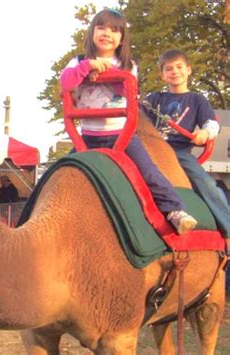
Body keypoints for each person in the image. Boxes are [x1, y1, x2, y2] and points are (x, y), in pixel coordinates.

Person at [60, 8, 197, 235]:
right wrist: (87, 68)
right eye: (101, 27)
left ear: (121, 38)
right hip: (86, 136)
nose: (107, 33)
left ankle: (175, 210)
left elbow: (126, 88)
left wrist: (106, 72)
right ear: (92, 31)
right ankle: (39, 212)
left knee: (148, 170)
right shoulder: (79, 61)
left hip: (120, 135)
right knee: (61, 172)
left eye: (114, 30)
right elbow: (66, 82)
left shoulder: (127, 63)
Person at [141, 49, 230, 238]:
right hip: (151, 149)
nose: (175, 72)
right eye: (169, 69)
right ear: (162, 75)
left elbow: (211, 123)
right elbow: (137, 115)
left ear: (189, 70)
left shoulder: (197, 100)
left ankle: (228, 229)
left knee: (206, 183)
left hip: (178, 152)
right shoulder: (155, 99)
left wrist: (205, 133)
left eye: (179, 67)